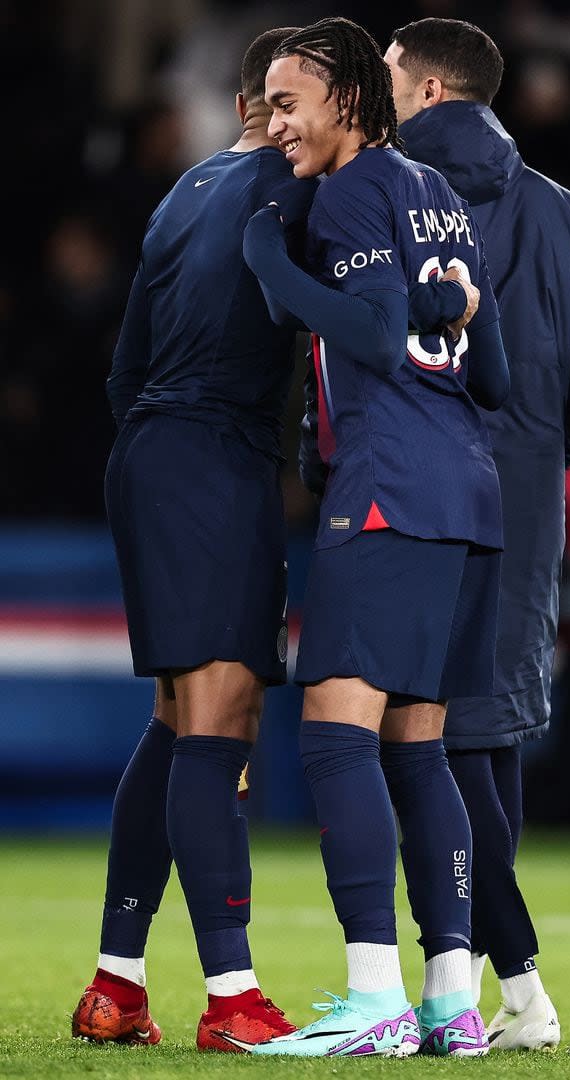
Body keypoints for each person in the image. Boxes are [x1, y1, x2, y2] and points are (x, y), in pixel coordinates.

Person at [241, 15, 510, 1058]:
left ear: (349, 100)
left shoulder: (355, 189)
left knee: (335, 736)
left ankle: (373, 998)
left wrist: (272, 261)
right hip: (469, 492)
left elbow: (364, 328)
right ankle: (451, 1002)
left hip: (391, 486)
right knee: (420, 747)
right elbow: (491, 378)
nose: (275, 123)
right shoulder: (441, 194)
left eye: (289, 103)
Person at [382, 16, 570, 1050]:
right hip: (523, 503)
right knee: (483, 737)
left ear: (437, 91)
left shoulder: (386, 197)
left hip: (405, 492)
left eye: (393, 77)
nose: (382, 90)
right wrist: (533, 452)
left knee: (418, 735)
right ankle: (486, 990)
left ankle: (508, 983)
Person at [70, 26, 320, 1054]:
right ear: (278, 103)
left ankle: (116, 985)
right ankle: (234, 998)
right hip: (211, 459)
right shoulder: (295, 192)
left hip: (153, 453)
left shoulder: (186, 188)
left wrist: (167, 451)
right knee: (219, 716)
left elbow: (125, 364)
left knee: (180, 720)